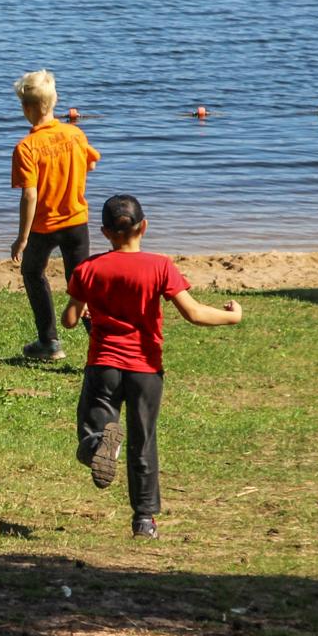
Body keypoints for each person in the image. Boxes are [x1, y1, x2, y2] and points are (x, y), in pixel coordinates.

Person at [61, 194, 241, 539]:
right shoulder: (160, 266)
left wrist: (81, 309)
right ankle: (144, 520)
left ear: (104, 232)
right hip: (145, 369)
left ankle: (99, 446)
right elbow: (194, 313)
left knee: (92, 429)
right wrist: (232, 316)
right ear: (144, 226)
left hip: (103, 365)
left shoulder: (88, 269)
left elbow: (69, 320)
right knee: (143, 441)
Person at [9, 69, 101, 361]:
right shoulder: (75, 134)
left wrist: (22, 238)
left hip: (43, 226)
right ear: (54, 101)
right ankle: (101, 345)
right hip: (76, 221)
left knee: (32, 272)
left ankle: (48, 341)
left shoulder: (26, 148)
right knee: (80, 285)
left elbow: (29, 195)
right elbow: (90, 164)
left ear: (26, 108)